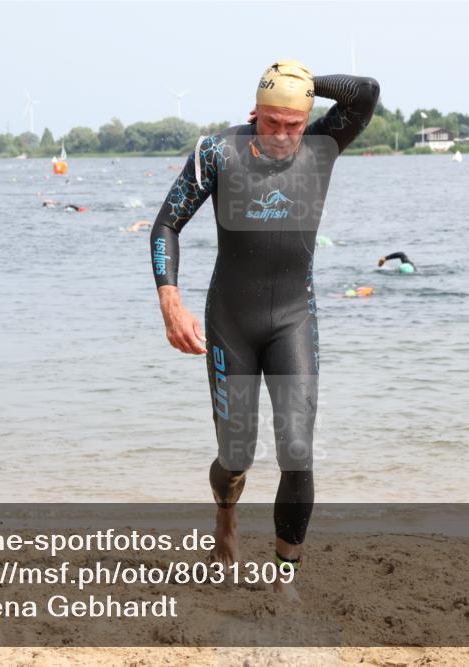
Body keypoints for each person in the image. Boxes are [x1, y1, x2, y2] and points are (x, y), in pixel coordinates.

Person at [150, 59, 378, 599]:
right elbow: (166, 224)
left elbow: (365, 92)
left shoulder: (323, 146)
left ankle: (284, 577)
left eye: (292, 123)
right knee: (237, 456)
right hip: (231, 320)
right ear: (254, 112)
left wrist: (301, 82)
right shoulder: (218, 153)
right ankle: (226, 526)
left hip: (294, 317)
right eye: (271, 121)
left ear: (307, 119)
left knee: (297, 447)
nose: (281, 135)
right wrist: (170, 301)